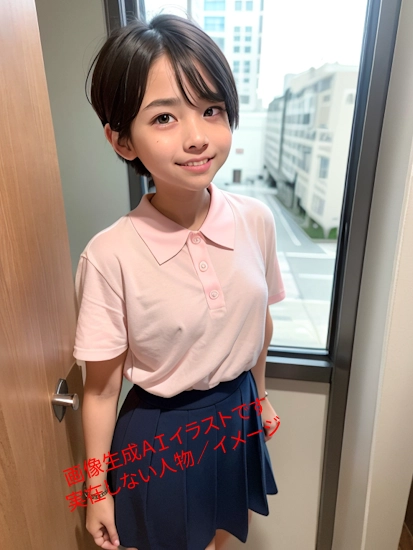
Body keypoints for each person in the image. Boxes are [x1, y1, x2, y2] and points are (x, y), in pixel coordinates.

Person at [74, 13, 285, 550]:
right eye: (165, 117)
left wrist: (260, 397)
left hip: (238, 411)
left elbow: (260, 324)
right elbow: (100, 389)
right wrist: (95, 488)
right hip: (162, 432)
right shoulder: (108, 255)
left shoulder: (257, 220)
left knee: (221, 534)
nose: (197, 138)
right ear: (123, 140)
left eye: (211, 110)